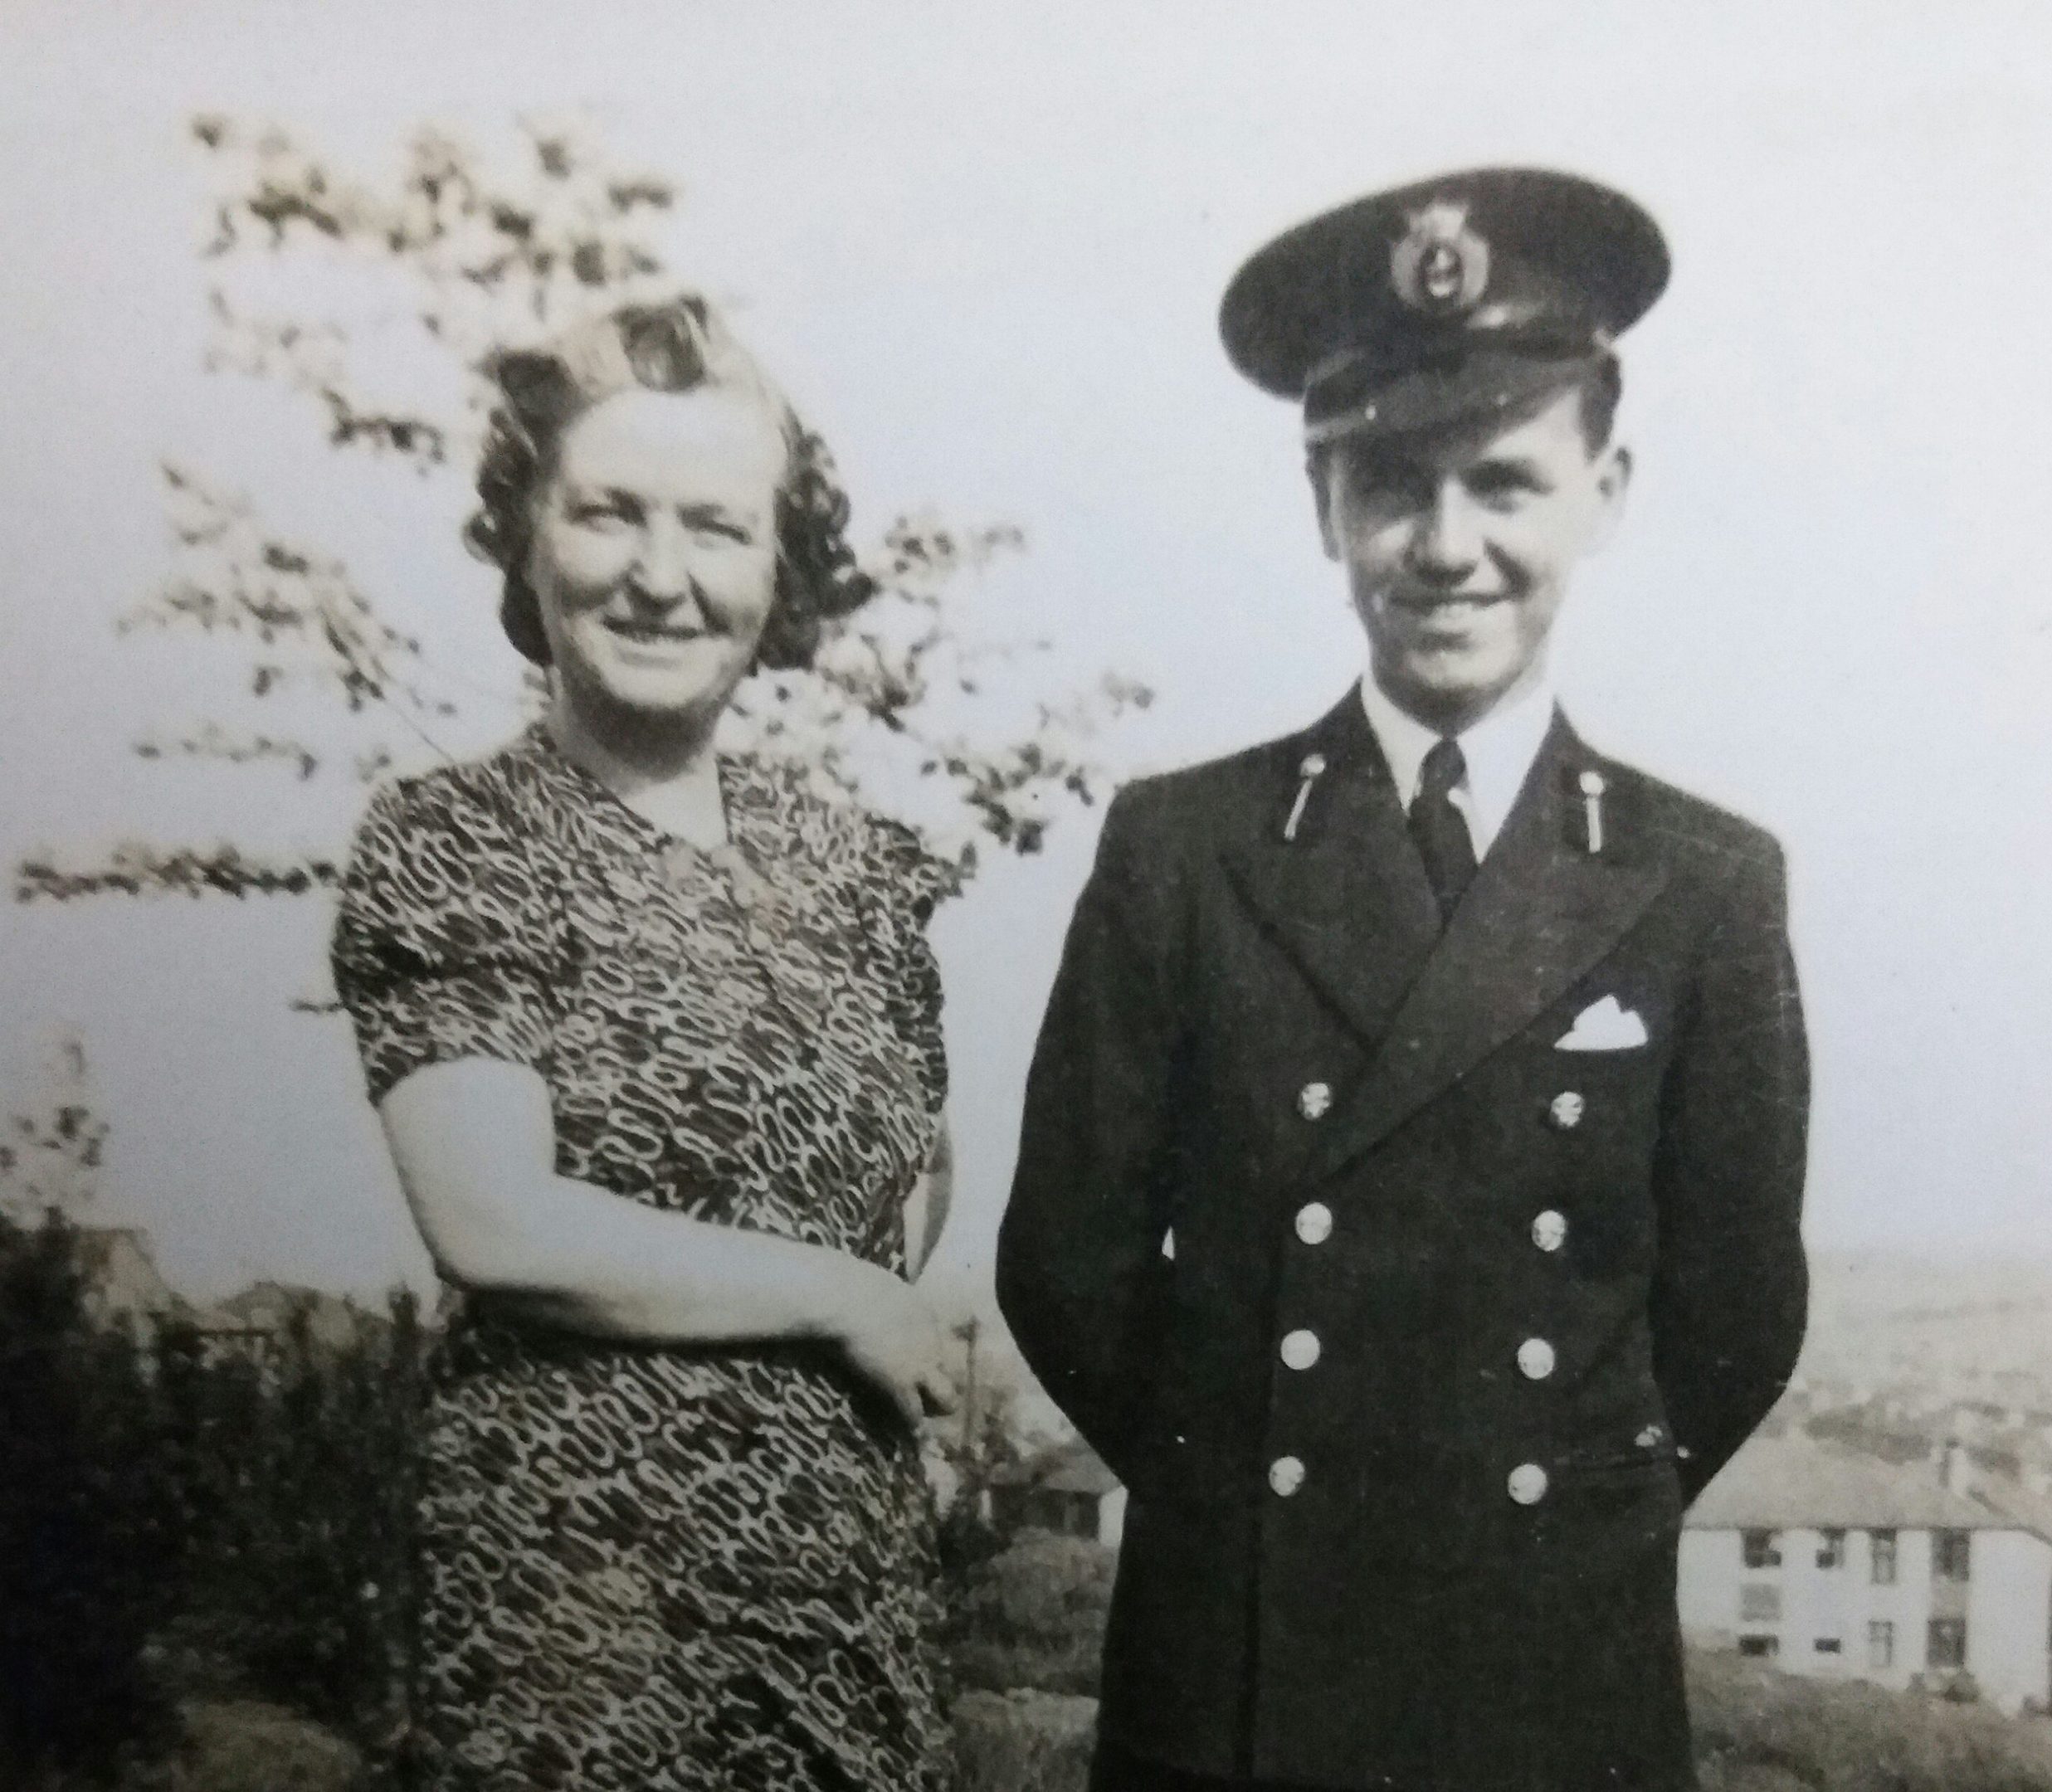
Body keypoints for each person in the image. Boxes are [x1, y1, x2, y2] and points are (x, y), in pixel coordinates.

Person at [997, 168, 1810, 1792]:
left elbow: (1734, 1313)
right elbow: (1065, 1266)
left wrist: (1556, 1508)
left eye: (1504, 482)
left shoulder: (1705, 881)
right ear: (1321, 507)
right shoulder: (1182, 848)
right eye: (1388, 485)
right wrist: (1243, 1492)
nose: (1447, 548)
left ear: (1604, 491)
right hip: (1238, 1676)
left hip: (1552, 1676)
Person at [329, 294, 959, 1792]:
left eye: (717, 529)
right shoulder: (458, 842)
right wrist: (827, 1299)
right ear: (528, 537)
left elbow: (914, 1202)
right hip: (582, 1611)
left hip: (850, 1600)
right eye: (610, 514)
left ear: (779, 566)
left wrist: (857, 1312)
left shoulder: (859, 865)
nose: (661, 579)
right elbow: (495, 1221)